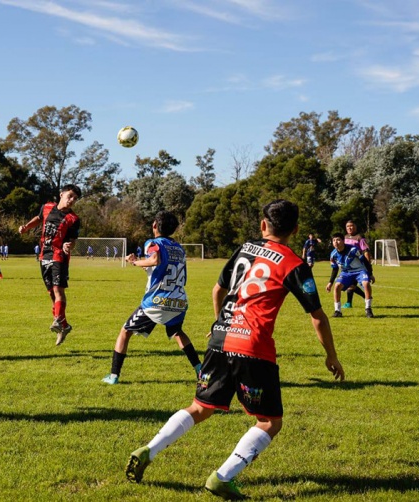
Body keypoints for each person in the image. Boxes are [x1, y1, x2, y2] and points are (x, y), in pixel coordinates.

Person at [125, 200, 345, 499]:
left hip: (220, 338)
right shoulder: (295, 264)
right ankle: (222, 478)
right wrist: (331, 356)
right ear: (295, 229)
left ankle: (149, 449)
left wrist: (219, 322)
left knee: (200, 407)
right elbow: (317, 315)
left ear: (263, 225)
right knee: (269, 421)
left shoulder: (245, 248)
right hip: (253, 346)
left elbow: (219, 290)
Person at [102, 211, 201, 385]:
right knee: (177, 332)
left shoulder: (153, 242)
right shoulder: (178, 248)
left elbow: (155, 259)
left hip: (157, 302)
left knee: (125, 332)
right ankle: (200, 371)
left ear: (154, 225)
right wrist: (139, 262)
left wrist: (133, 262)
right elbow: (156, 269)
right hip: (178, 300)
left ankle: (113, 376)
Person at [18, 184, 81, 346]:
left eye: (75, 198)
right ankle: (64, 325)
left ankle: (58, 321)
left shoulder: (73, 219)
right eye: (70, 196)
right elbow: (39, 219)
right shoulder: (46, 207)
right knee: (51, 293)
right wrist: (26, 227)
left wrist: (69, 246)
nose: (72, 200)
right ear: (62, 194)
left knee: (58, 290)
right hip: (44, 255)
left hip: (59, 255)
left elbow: (72, 240)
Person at [327, 233, 375, 318]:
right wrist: (330, 282)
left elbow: (364, 261)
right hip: (346, 273)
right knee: (337, 286)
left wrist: (370, 274)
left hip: (360, 271)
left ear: (343, 241)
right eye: (333, 240)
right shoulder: (333, 254)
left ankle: (368, 309)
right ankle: (337, 311)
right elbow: (335, 269)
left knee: (366, 284)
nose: (336, 242)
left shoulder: (353, 249)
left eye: (338, 240)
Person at [342, 220, 370, 308]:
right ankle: (365, 296)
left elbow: (365, 251)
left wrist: (367, 264)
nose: (349, 228)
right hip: (347, 266)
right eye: (347, 226)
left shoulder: (359, 238)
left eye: (351, 226)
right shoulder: (344, 237)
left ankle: (349, 303)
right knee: (350, 285)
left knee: (350, 285)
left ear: (355, 227)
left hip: (358, 266)